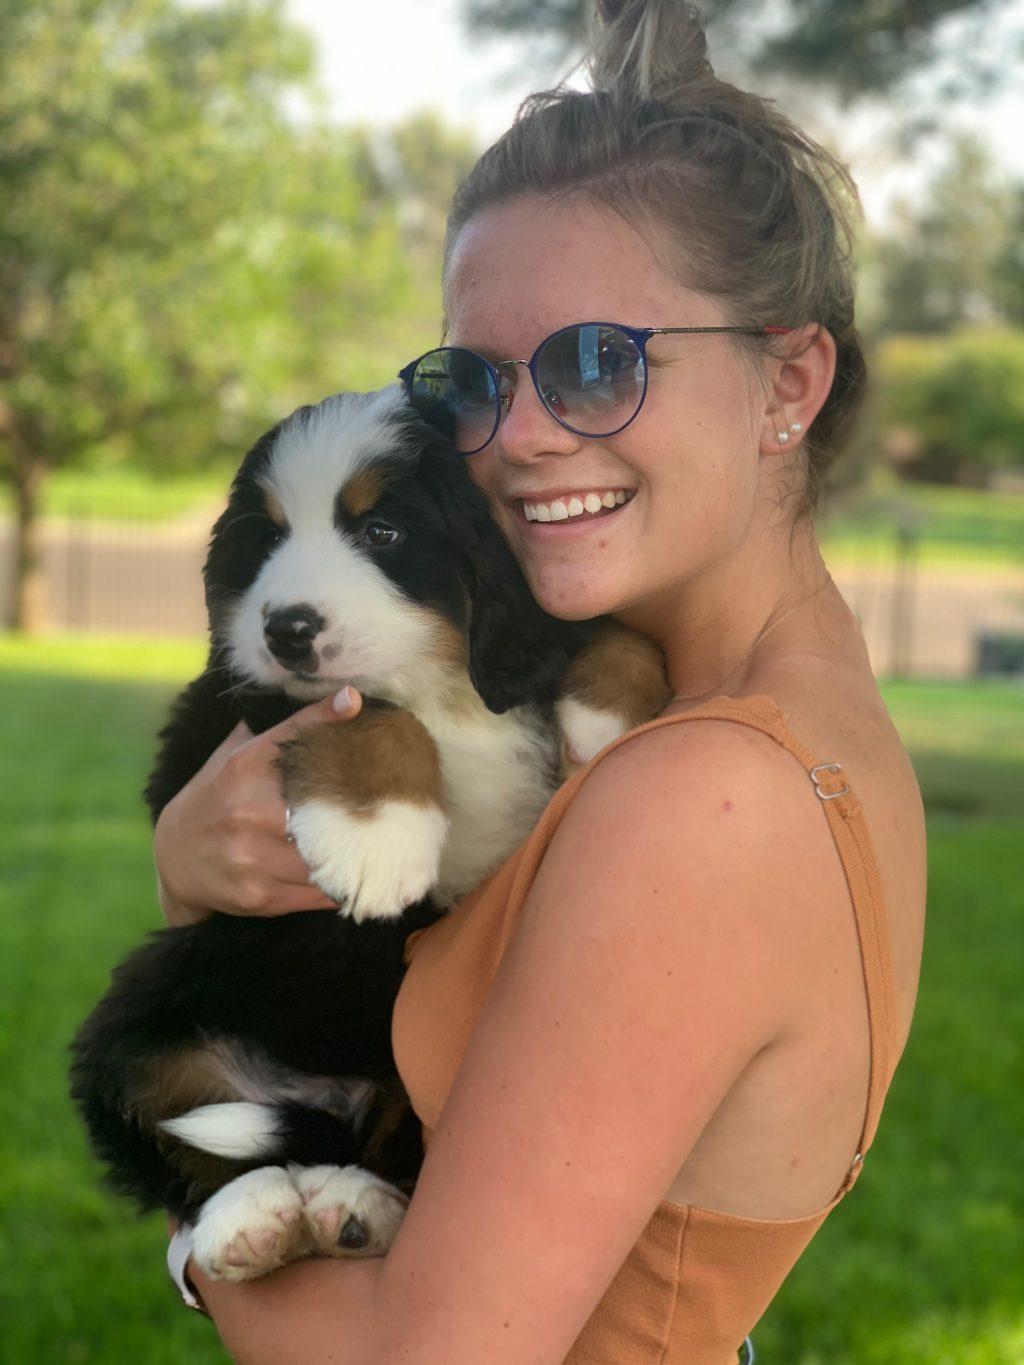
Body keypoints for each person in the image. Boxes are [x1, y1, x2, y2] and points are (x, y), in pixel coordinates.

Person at [153, 2, 926, 1360]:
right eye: (473, 382)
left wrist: (205, 1225)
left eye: (595, 364)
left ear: (787, 382)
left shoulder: (704, 798)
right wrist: (213, 873)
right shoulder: (774, 722)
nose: (512, 442)